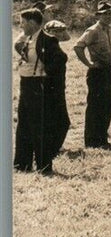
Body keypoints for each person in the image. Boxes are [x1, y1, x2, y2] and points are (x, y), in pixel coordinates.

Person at [73, 2, 111, 148]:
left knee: (107, 105)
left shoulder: (108, 29)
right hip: (97, 72)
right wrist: (89, 64)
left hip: (108, 70)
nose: (108, 15)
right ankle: (92, 140)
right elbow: (78, 47)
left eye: (110, 13)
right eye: (105, 13)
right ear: (98, 15)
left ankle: (101, 138)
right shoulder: (93, 30)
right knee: (95, 106)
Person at [13, 9, 52, 173]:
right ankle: (22, 163)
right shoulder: (27, 38)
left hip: (38, 84)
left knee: (38, 125)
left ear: (31, 23)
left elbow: (57, 62)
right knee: (24, 124)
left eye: (22, 22)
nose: (20, 25)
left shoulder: (46, 40)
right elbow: (20, 48)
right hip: (26, 83)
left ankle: (43, 164)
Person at [38, 18, 72, 166]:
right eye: (57, 31)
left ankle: (50, 150)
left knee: (60, 122)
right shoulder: (47, 46)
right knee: (61, 122)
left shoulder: (52, 45)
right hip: (51, 90)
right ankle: (49, 151)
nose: (61, 34)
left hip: (57, 89)